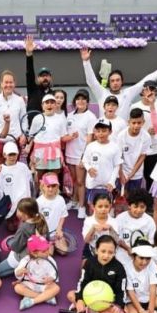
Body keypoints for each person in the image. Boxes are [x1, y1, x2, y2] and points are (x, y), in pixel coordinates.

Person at [80, 47, 157, 120]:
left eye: (117, 80)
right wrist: (86, 62)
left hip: (122, 137)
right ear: (109, 83)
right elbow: (91, 80)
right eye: (112, 81)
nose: (115, 83)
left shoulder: (128, 93)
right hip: (104, 134)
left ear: (122, 81)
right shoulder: (102, 93)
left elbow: (146, 80)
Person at [67, 235, 126, 313]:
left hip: (108, 301)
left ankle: (90, 310)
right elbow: (82, 282)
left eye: (110, 252)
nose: (106, 255)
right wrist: (80, 299)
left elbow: (121, 291)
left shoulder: (119, 268)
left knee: (124, 311)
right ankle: (96, 312)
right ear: (96, 250)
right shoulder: (89, 263)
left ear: (115, 252)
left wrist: (118, 305)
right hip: (90, 296)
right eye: (103, 251)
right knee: (70, 295)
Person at [131, 81, 157, 190]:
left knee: (151, 177)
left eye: (152, 89)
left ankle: (149, 203)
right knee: (136, 176)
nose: (150, 92)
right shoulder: (134, 106)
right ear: (142, 91)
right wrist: (145, 132)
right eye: (147, 89)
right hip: (139, 148)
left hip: (156, 148)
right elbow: (130, 126)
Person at [64, 89, 97, 218]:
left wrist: (84, 156)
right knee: (73, 181)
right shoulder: (70, 115)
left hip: (81, 155)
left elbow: (90, 138)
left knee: (80, 182)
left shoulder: (91, 117)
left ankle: (82, 207)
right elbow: (66, 134)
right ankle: (74, 201)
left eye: (83, 99)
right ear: (75, 101)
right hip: (69, 153)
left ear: (87, 101)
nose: (81, 101)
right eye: (78, 99)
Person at [0, 197, 49, 277]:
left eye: (18, 210)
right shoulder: (41, 219)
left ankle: (17, 269)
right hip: (37, 256)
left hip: (22, 258)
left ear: (24, 214)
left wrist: (9, 243)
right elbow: (47, 239)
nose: (16, 211)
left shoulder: (24, 228)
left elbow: (16, 247)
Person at [81, 118, 122, 213]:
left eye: (104, 131)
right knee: (92, 206)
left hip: (107, 185)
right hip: (92, 184)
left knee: (106, 208)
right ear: (94, 132)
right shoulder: (90, 146)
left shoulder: (115, 147)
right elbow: (85, 161)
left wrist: (112, 182)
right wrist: (89, 168)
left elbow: (117, 166)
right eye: (98, 131)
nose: (101, 133)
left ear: (110, 132)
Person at [0, 142, 33, 230]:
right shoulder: (0, 168)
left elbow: (30, 180)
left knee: (24, 227)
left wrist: (34, 169)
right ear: (4, 155)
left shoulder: (23, 167)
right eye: (10, 155)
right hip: (9, 204)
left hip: (23, 203)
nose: (12, 157)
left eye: (14, 154)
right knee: (12, 228)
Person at [14, 235, 60, 310]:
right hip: (29, 284)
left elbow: (55, 276)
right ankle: (46, 297)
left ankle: (32, 301)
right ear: (34, 253)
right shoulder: (26, 260)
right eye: (43, 251)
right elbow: (17, 274)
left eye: (47, 248)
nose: (47, 252)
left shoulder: (51, 261)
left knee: (56, 288)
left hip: (44, 285)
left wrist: (50, 279)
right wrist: (20, 272)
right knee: (17, 288)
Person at [29, 94, 68, 181]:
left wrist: (72, 137)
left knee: (53, 178)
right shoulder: (37, 118)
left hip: (55, 154)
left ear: (55, 105)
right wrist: (28, 148)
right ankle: (39, 194)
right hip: (39, 154)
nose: (49, 105)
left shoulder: (61, 119)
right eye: (47, 103)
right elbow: (31, 136)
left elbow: (63, 137)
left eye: (52, 103)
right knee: (39, 178)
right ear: (42, 106)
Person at [115, 189, 156, 267]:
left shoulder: (149, 221)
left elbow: (151, 242)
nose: (138, 210)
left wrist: (140, 253)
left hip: (143, 256)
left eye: (142, 207)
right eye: (135, 206)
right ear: (129, 205)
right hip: (123, 255)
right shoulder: (120, 219)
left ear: (146, 207)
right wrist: (128, 249)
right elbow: (117, 239)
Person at [0, 70, 27, 147]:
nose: (8, 85)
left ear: (14, 84)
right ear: (1, 84)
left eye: (11, 82)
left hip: (16, 142)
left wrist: (24, 135)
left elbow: (24, 120)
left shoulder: (20, 100)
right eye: (6, 82)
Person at [115, 108, 151, 193]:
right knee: (118, 199)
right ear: (129, 122)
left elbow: (142, 157)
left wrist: (131, 175)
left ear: (143, 122)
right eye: (134, 123)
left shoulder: (146, 137)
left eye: (139, 123)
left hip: (136, 175)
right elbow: (118, 157)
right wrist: (121, 174)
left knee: (133, 200)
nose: (136, 126)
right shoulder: (121, 136)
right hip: (121, 173)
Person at [81, 193, 119, 266]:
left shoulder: (113, 221)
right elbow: (86, 240)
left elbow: (117, 241)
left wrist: (111, 229)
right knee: (84, 267)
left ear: (110, 207)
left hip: (108, 251)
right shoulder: (88, 221)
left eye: (106, 206)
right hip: (91, 248)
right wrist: (93, 229)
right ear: (93, 207)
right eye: (100, 206)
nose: (103, 209)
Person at [36, 173, 68, 255]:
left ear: (57, 186)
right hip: (43, 234)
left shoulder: (61, 200)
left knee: (64, 252)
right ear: (43, 186)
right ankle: (50, 245)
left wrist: (59, 229)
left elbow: (62, 216)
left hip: (55, 233)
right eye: (48, 186)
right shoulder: (38, 201)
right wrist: (39, 235)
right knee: (49, 254)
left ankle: (55, 243)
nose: (50, 189)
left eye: (53, 186)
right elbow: (35, 221)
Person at [23, 35, 54, 113]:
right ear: (37, 78)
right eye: (42, 76)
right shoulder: (32, 89)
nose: (45, 78)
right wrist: (29, 54)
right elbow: (29, 73)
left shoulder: (53, 94)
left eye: (46, 75)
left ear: (50, 78)